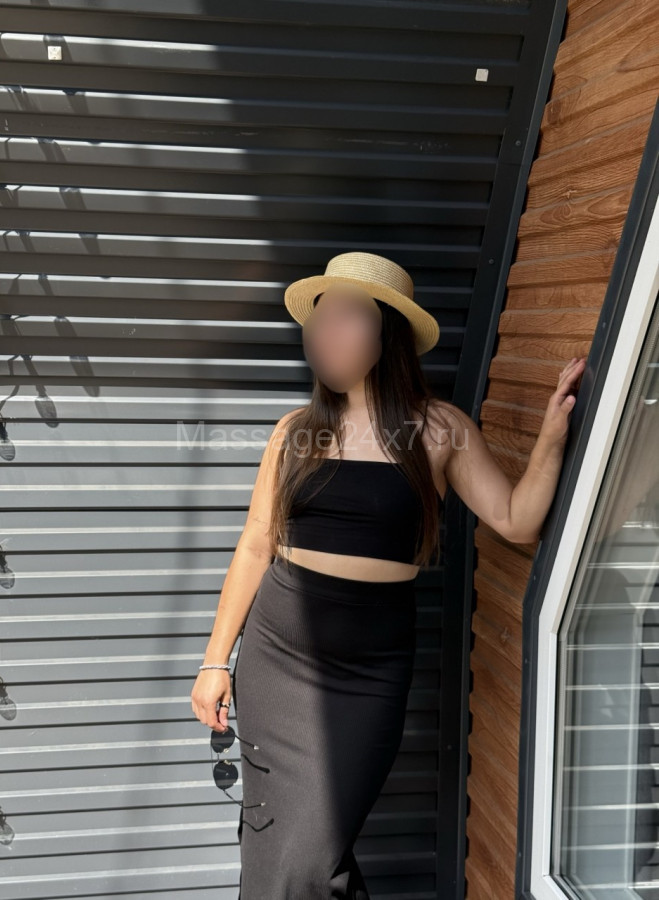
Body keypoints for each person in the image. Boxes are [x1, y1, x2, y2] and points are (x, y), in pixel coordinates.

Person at [190, 251, 586, 899]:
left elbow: (516, 521)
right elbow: (256, 543)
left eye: (346, 316)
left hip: (368, 674)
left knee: (309, 859)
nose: (326, 331)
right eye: (320, 319)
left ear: (387, 334)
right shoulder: (294, 432)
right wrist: (215, 661)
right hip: (276, 659)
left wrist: (550, 438)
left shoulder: (440, 431)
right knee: (281, 851)